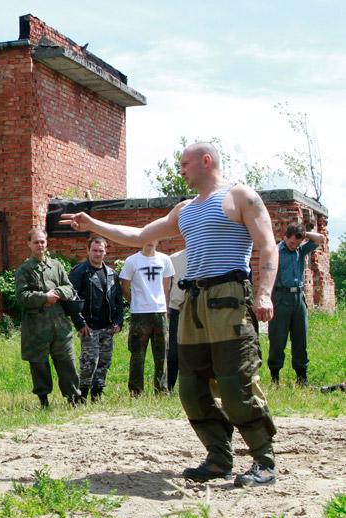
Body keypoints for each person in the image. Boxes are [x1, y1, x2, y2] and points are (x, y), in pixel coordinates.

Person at [60, 141, 279, 487]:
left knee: (235, 383)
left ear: (206, 161)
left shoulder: (240, 196)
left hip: (229, 298)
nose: (181, 170)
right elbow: (139, 236)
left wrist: (264, 294)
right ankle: (219, 458)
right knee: (190, 388)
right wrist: (92, 223)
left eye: (185, 163)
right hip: (192, 302)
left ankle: (264, 461)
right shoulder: (185, 210)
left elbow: (267, 246)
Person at [15, 228, 83, 407]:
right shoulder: (24, 270)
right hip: (36, 327)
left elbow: (70, 288)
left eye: (42, 241)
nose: (39, 245)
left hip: (60, 325)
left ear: (47, 243)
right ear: (29, 244)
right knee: (39, 365)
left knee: (67, 362)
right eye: (36, 242)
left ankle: (73, 398)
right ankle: (43, 400)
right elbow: (22, 297)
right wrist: (44, 297)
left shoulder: (56, 265)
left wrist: (57, 293)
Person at [267, 220, 326, 385]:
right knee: (278, 340)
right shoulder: (276, 251)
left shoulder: (301, 249)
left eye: (297, 243)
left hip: (299, 299)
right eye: (291, 242)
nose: (294, 246)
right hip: (281, 298)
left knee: (301, 339)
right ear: (285, 237)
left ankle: (302, 378)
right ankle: (275, 378)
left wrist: (304, 234)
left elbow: (320, 239)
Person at [69, 236, 124, 402]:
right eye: (94, 250)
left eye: (101, 251)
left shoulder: (112, 274)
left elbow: (118, 300)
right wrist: (79, 322)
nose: (98, 254)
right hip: (89, 326)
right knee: (89, 363)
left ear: (105, 252)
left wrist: (119, 321)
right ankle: (81, 397)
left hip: (108, 327)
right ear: (88, 251)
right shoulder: (79, 272)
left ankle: (97, 395)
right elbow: (71, 299)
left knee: (104, 363)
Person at [120, 241, 174, 396]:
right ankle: (136, 391)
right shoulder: (132, 261)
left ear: (158, 240)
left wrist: (164, 305)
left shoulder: (165, 260)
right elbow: (124, 287)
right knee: (137, 354)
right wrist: (135, 302)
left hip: (159, 312)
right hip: (140, 314)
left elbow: (167, 286)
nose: (150, 240)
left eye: (154, 237)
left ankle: (162, 390)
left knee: (162, 354)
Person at [167, 249, 188, 391]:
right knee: (173, 352)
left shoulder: (207, 254)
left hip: (199, 309)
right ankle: (168, 387)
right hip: (177, 309)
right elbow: (167, 285)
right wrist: (166, 305)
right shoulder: (173, 259)